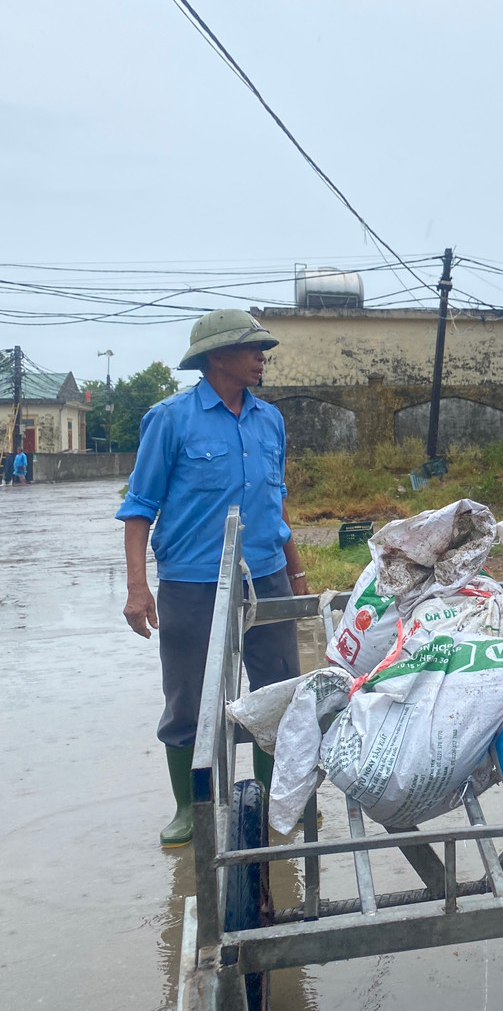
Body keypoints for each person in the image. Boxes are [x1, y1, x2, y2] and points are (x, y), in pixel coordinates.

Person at [117, 308, 309, 848]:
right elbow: (139, 507)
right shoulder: (170, 419)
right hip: (193, 582)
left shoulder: (270, 419)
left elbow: (277, 501)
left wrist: (295, 570)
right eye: (253, 349)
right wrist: (138, 587)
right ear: (217, 357)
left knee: (280, 691)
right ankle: (189, 807)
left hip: (266, 577)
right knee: (189, 698)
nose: (262, 357)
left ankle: (275, 801)